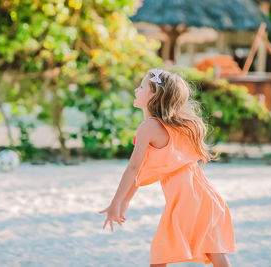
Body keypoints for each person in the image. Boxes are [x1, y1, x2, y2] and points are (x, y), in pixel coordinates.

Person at [98, 69, 236, 267]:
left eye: (142, 86)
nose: (136, 90)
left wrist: (116, 202)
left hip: (186, 199)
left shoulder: (148, 128)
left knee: (161, 253)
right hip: (206, 197)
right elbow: (144, 169)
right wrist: (125, 200)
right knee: (213, 251)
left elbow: (133, 168)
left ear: (154, 93)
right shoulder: (176, 126)